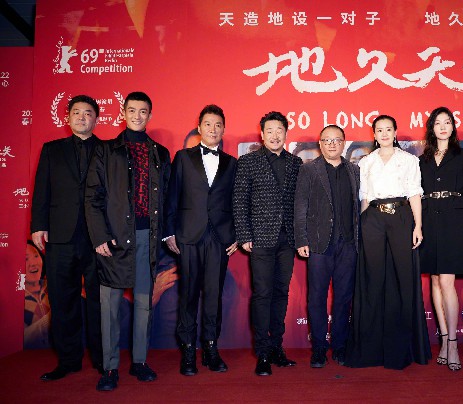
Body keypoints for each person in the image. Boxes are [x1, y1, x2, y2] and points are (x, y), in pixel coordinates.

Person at [85, 91, 171, 391]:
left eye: (143, 111)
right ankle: (110, 368)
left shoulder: (161, 153)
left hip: (148, 236)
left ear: (150, 115)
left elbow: (167, 197)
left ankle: (139, 362)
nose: (137, 116)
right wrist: (99, 236)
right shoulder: (106, 151)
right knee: (109, 305)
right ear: (123, 113)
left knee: (144, 302)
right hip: (113, 238)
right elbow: (92, 197)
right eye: (132, 110)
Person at [345, 114, 430, 370]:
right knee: (372, 279)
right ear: (374, 134)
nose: (384, 133)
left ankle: (401, 349)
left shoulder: (409, 160)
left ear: (395, 132)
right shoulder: (366, 162)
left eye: (388, 129)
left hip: (401, 218)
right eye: (379, 130)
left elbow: (414, 193)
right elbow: (364, 198)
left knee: (402, 279)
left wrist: (418, 226)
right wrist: (359, 228)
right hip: (372, 220)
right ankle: (371, 349)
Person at [31, 94, 103, 380]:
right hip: (60, 236)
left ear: (96, 119)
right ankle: (68, 360)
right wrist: (39, 225)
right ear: (68, 117)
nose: (82, 117)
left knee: (99, 300)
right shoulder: (52, 150)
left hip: (98, 237)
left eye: (88, 113)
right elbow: (41, 190)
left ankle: (102, 359)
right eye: (77, 112)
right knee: (63, 300)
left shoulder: (108, 150)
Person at [164, 104, 238, 375]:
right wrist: (169, 232)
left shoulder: (232, 163)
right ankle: (187, 351)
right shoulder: (183, 157)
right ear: (199, 127)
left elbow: (237, 201)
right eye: (208, 124)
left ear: (223, 129)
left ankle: (210, 347)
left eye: (218, 125)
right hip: (188, 235)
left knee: (213, 295)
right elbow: (172, 195)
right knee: (188, 294)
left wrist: (237, 235)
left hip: (219, 237)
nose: (213, 129)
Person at [233, 111, 303, 376]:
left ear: (286, 133)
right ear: (262, 134)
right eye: (270, 131)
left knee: (281, 293)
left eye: (279, 131)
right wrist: (244, 235)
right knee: (263, 294)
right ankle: (262, 353)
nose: (275, 135)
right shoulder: (248, 161)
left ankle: (276, 348)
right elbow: (239, 200)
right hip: (260, 239)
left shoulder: (296, 163)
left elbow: (300, 203)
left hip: (288, 240)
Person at [418, 106, 463, 372]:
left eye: (447, 122)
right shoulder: (422, 159)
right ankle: (444, 339)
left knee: (446, 281)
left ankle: (453, 343)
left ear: (453, 127)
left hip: (456, 219)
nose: (443, 127)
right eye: (438, 123)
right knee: (434, 279)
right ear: (431, 128)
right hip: (429, 219)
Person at [294, 125, 360, 368]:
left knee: (344, 298)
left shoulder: (354, 170)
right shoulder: (309, 170)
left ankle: (340, 346)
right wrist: (301, 239)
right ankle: (319, 348)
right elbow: (300, 206)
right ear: (320, 144)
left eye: (336, 140)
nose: (332, 144)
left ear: (344, 143)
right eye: (327, 140)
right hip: (319, 243)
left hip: (348, 244)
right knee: (317, 298)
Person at [24, 241, 51, 349]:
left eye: (36, 256)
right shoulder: (13, 298)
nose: (33, 263)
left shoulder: (53, 285)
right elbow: (22, 339)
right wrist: (51, 317)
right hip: (31, 357)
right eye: (26, 259)